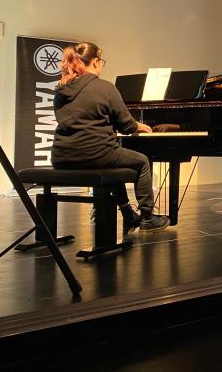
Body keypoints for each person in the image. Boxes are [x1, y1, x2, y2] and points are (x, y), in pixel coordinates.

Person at [51, 42, 169, 233]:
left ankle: (128, 214)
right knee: (142, 162)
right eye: (102, 61)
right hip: (95, 153)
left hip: (62, 156)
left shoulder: (61, 90)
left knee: (112, 161)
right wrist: (139, 126)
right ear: (96, 61)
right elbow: (127, 125)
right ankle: (147, 218)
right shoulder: (105, 87)